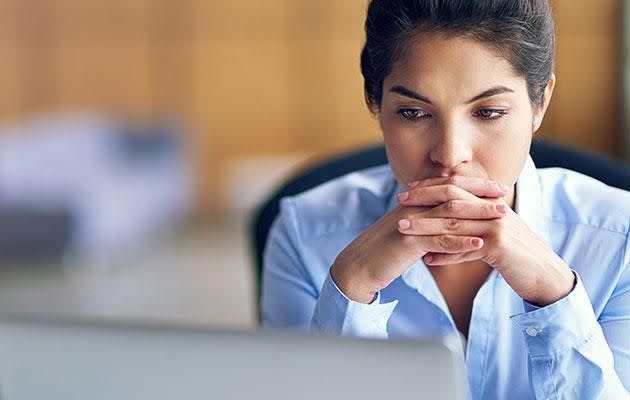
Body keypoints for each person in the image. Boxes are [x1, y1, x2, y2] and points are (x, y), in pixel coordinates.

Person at [261, 0, 630, 398]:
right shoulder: (304, 233)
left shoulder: (619, 239)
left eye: (488, 112)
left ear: (539, 103)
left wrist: (555, 295)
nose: (451, 154)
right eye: (413, 113)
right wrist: (351, 290)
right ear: (375, 102)